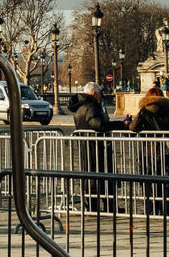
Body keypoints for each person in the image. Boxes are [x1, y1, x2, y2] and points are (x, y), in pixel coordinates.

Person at [67, 81, 124, 212]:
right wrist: (121, 125)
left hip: (87, 145)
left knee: (91, 176)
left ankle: (93, 205)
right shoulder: (91, 106)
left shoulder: (80, 106)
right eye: (99, 94)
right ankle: (107, 207)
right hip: (97, 146)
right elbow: (98, 125)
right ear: (94, 94)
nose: (100, 97)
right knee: (104, 176)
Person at [129, 86, 169, 215]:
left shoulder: (144, 111)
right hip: (164, 151)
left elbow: (133, 128)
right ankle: (164, 210)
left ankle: (150, 210)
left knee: (147, 183)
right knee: (164, 183)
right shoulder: (166, 110)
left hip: (146, 152)